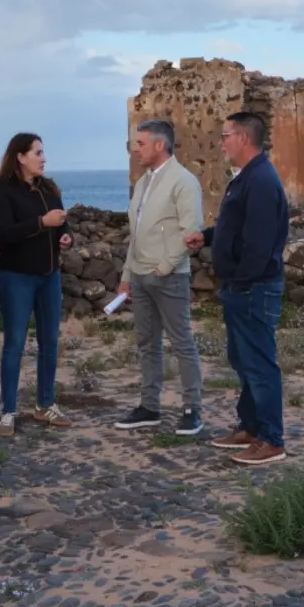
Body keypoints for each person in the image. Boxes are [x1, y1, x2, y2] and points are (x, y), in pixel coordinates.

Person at [184, 112, 289, 465]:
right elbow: (236, 228)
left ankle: (272, 440)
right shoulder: (247, 177)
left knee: (259, 363)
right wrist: (209, 236)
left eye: (226, 135)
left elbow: (259, 245)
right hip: (243, 286)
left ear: (243, 139)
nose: (222, 143)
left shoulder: (260, 181)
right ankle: (250, 427)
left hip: (252, 289)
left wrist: (241, 283)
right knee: (243, 360)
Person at [113, 120, 205, 435]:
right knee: (146, 344)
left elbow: (191, 230)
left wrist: (164, 267)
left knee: (182, 343)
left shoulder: (183, 181)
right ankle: (149, 407)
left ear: (159, 145)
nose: (134, 149)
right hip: (139, 277)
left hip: (168, 277)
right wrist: (127, 275)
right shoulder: (142, 183)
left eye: (140, 143)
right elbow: (136, 234)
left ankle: (192, 409)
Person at [0, 133, 74, 437]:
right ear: (20, 157)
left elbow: (62, 223)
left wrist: (66, 236)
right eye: (38, 152)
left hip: (49, 275)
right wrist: (41, 223)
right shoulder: (0, 191)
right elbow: (6, 232)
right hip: (17, 277)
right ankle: (8, 411)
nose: (43, 157)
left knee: (49, 342)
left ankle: (45, 404)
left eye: (43, 152)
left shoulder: (48, 188)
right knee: (14, 345)